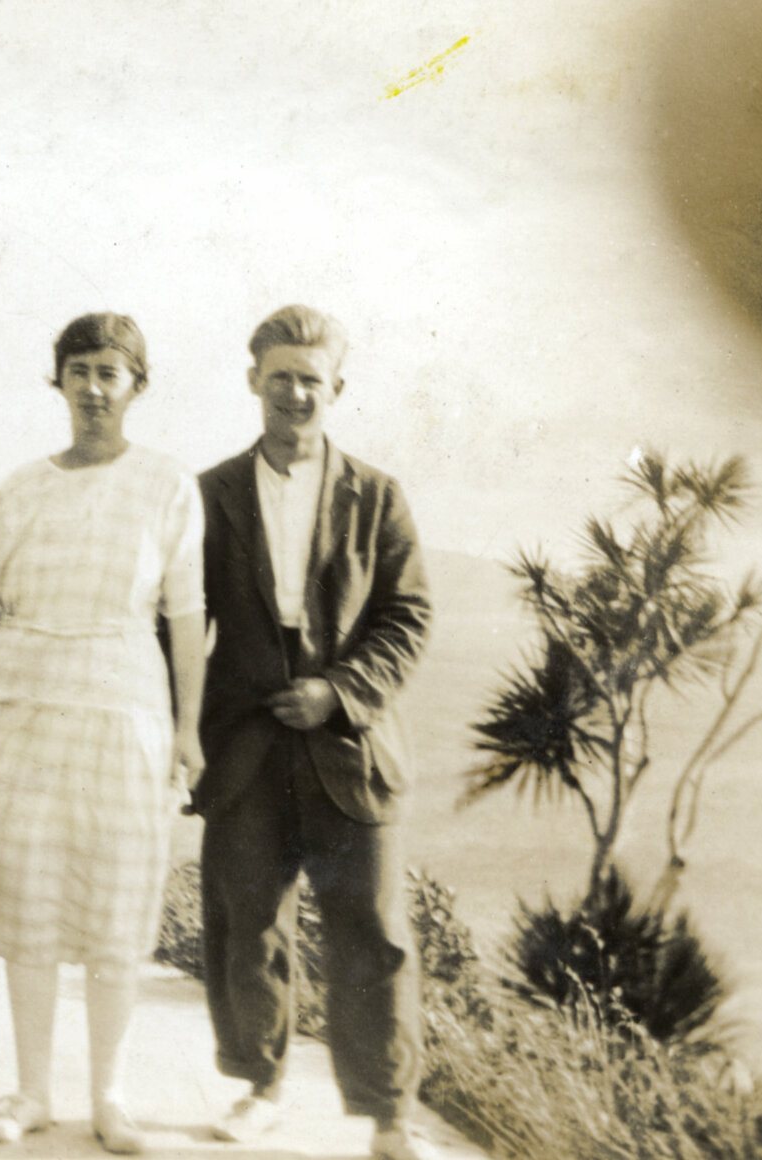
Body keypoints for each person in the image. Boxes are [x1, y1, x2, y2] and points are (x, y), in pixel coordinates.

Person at [0, 313, 206, 1155]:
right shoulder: (18, 488)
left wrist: (188, 732)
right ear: (58, 381)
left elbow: (185, 617)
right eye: (77, 370)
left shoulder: (165, 484)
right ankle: (33, 1091)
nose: (91, 388)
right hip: (19, 715)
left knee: (116, 902)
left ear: (136, 386)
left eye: (109, 372)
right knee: (30, 901)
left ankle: (110, 1098)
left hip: (125, 712)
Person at [189, 305, 435, 1160]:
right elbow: (179, 624)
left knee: (371, 931)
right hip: (245, 751)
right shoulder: (208, 494)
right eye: (280, 375)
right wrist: (178, 733)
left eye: (312, 379)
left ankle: (388, 1119)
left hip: (348, 747)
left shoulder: (377, 495)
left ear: (337, 389)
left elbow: (407, 616)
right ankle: (259, 1089)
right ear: (253, 378)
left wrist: (337, 693)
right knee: (245, 922)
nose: (296, 392)